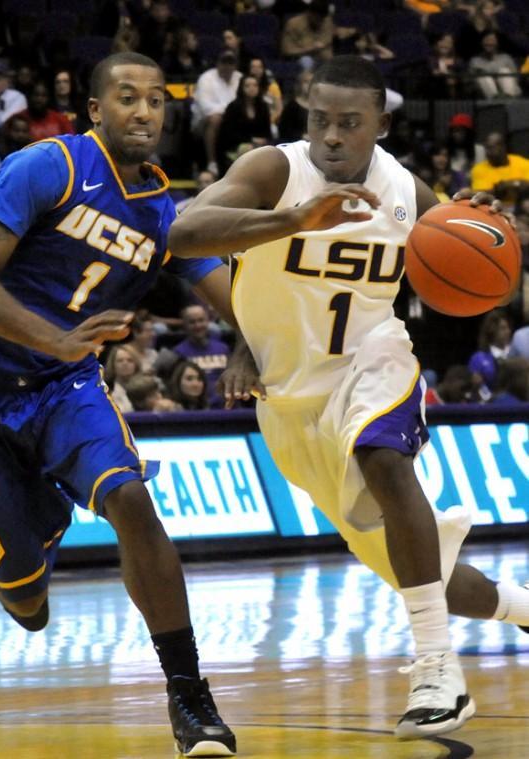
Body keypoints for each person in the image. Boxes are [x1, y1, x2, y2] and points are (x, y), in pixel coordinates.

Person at [170, 54, 529, 739]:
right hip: (291, 404)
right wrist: (294, 221)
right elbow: (184, 232)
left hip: (374, 363)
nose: (331, 135)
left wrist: (485, 228)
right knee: (430, 578)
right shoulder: (276, 171)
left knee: (385, 459)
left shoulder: (402, 189)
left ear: (381, 126)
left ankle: (437, 670)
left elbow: (481, 268)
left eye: (349, 122)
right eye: (320, 120)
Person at [0, 51, 236, 758]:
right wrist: (59, 338)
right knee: (26, 603)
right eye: (127, 98)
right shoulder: (51, 166)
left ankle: (190, 697)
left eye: (157, 100)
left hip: (65, 388)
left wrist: (251, 340)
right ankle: (38, 515)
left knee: (131, 500)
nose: (144, 111)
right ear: (96, 110)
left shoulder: (163, 212)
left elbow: (227, 291)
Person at [191, 49, 242, 177]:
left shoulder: (240, 77)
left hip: (232, 120)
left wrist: (230, 113)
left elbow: (242, 104)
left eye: (231, 63)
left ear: (235, 65)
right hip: (203, 122)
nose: (227, 66)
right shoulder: (206, 78)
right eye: (224, 62)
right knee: (215, 119)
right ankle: (211, 162)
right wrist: (229, 111)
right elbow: (206, 107)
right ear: (218, 63)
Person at [172, 304, 230, 409]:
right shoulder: (178, 352)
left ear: (208, 321)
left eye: (201, 320)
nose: (197, 325)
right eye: (192, 322)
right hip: (195, 408)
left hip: (224, 407)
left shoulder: (223, 349)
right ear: (185, 325)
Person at [216, 74, 272, 175]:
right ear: (241, 88)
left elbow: (267, 132)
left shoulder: (263, 107)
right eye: (247, 86)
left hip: (259, 145)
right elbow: (228, 134)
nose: (252, 88)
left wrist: (263, 140)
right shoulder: (233, 107)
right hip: (235, 146)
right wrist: (251, 139)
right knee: (248, 149)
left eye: (255, 85)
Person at [471, 131, 529, 208]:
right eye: (486, 148)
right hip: (494, 207)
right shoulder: (479, 169)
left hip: (521, 207)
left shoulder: (523, 163)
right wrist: (500, 189)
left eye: (491, 148)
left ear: (503, 147)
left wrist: (509, 184)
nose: (488, 153)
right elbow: (481, 194)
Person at [467, 308, 513, 400]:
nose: (508, 332)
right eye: (503, 328)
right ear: (492, 331)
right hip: (490, 407)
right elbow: (478, 388)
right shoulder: (479, 358)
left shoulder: (515, 353)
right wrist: (491, 399)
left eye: (508, 328)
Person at [468, 30, 522, 99]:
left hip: (510, 93)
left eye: (492, 40)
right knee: (482, 74)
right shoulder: (475, 61)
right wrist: (492, 83)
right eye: (486, 40)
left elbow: (515, 78)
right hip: (486, 95)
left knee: (504, 71)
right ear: (481, 42)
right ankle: (495, 99)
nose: (489, 43)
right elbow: (472, 82)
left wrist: (499, 82)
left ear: (497, 43)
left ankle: (508, 98)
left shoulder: (506, 58)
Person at [0, 113, 31, 183]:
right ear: (8, 131)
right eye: (16, 131)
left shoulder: (33, 148)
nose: (21, 135)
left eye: (24, 131)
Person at [103, 342, 143, 413]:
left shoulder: (146, 388)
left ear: (136, 364)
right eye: (120, 361)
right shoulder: (104, 391)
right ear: (113, 365)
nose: (125, 364)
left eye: (130, 360)